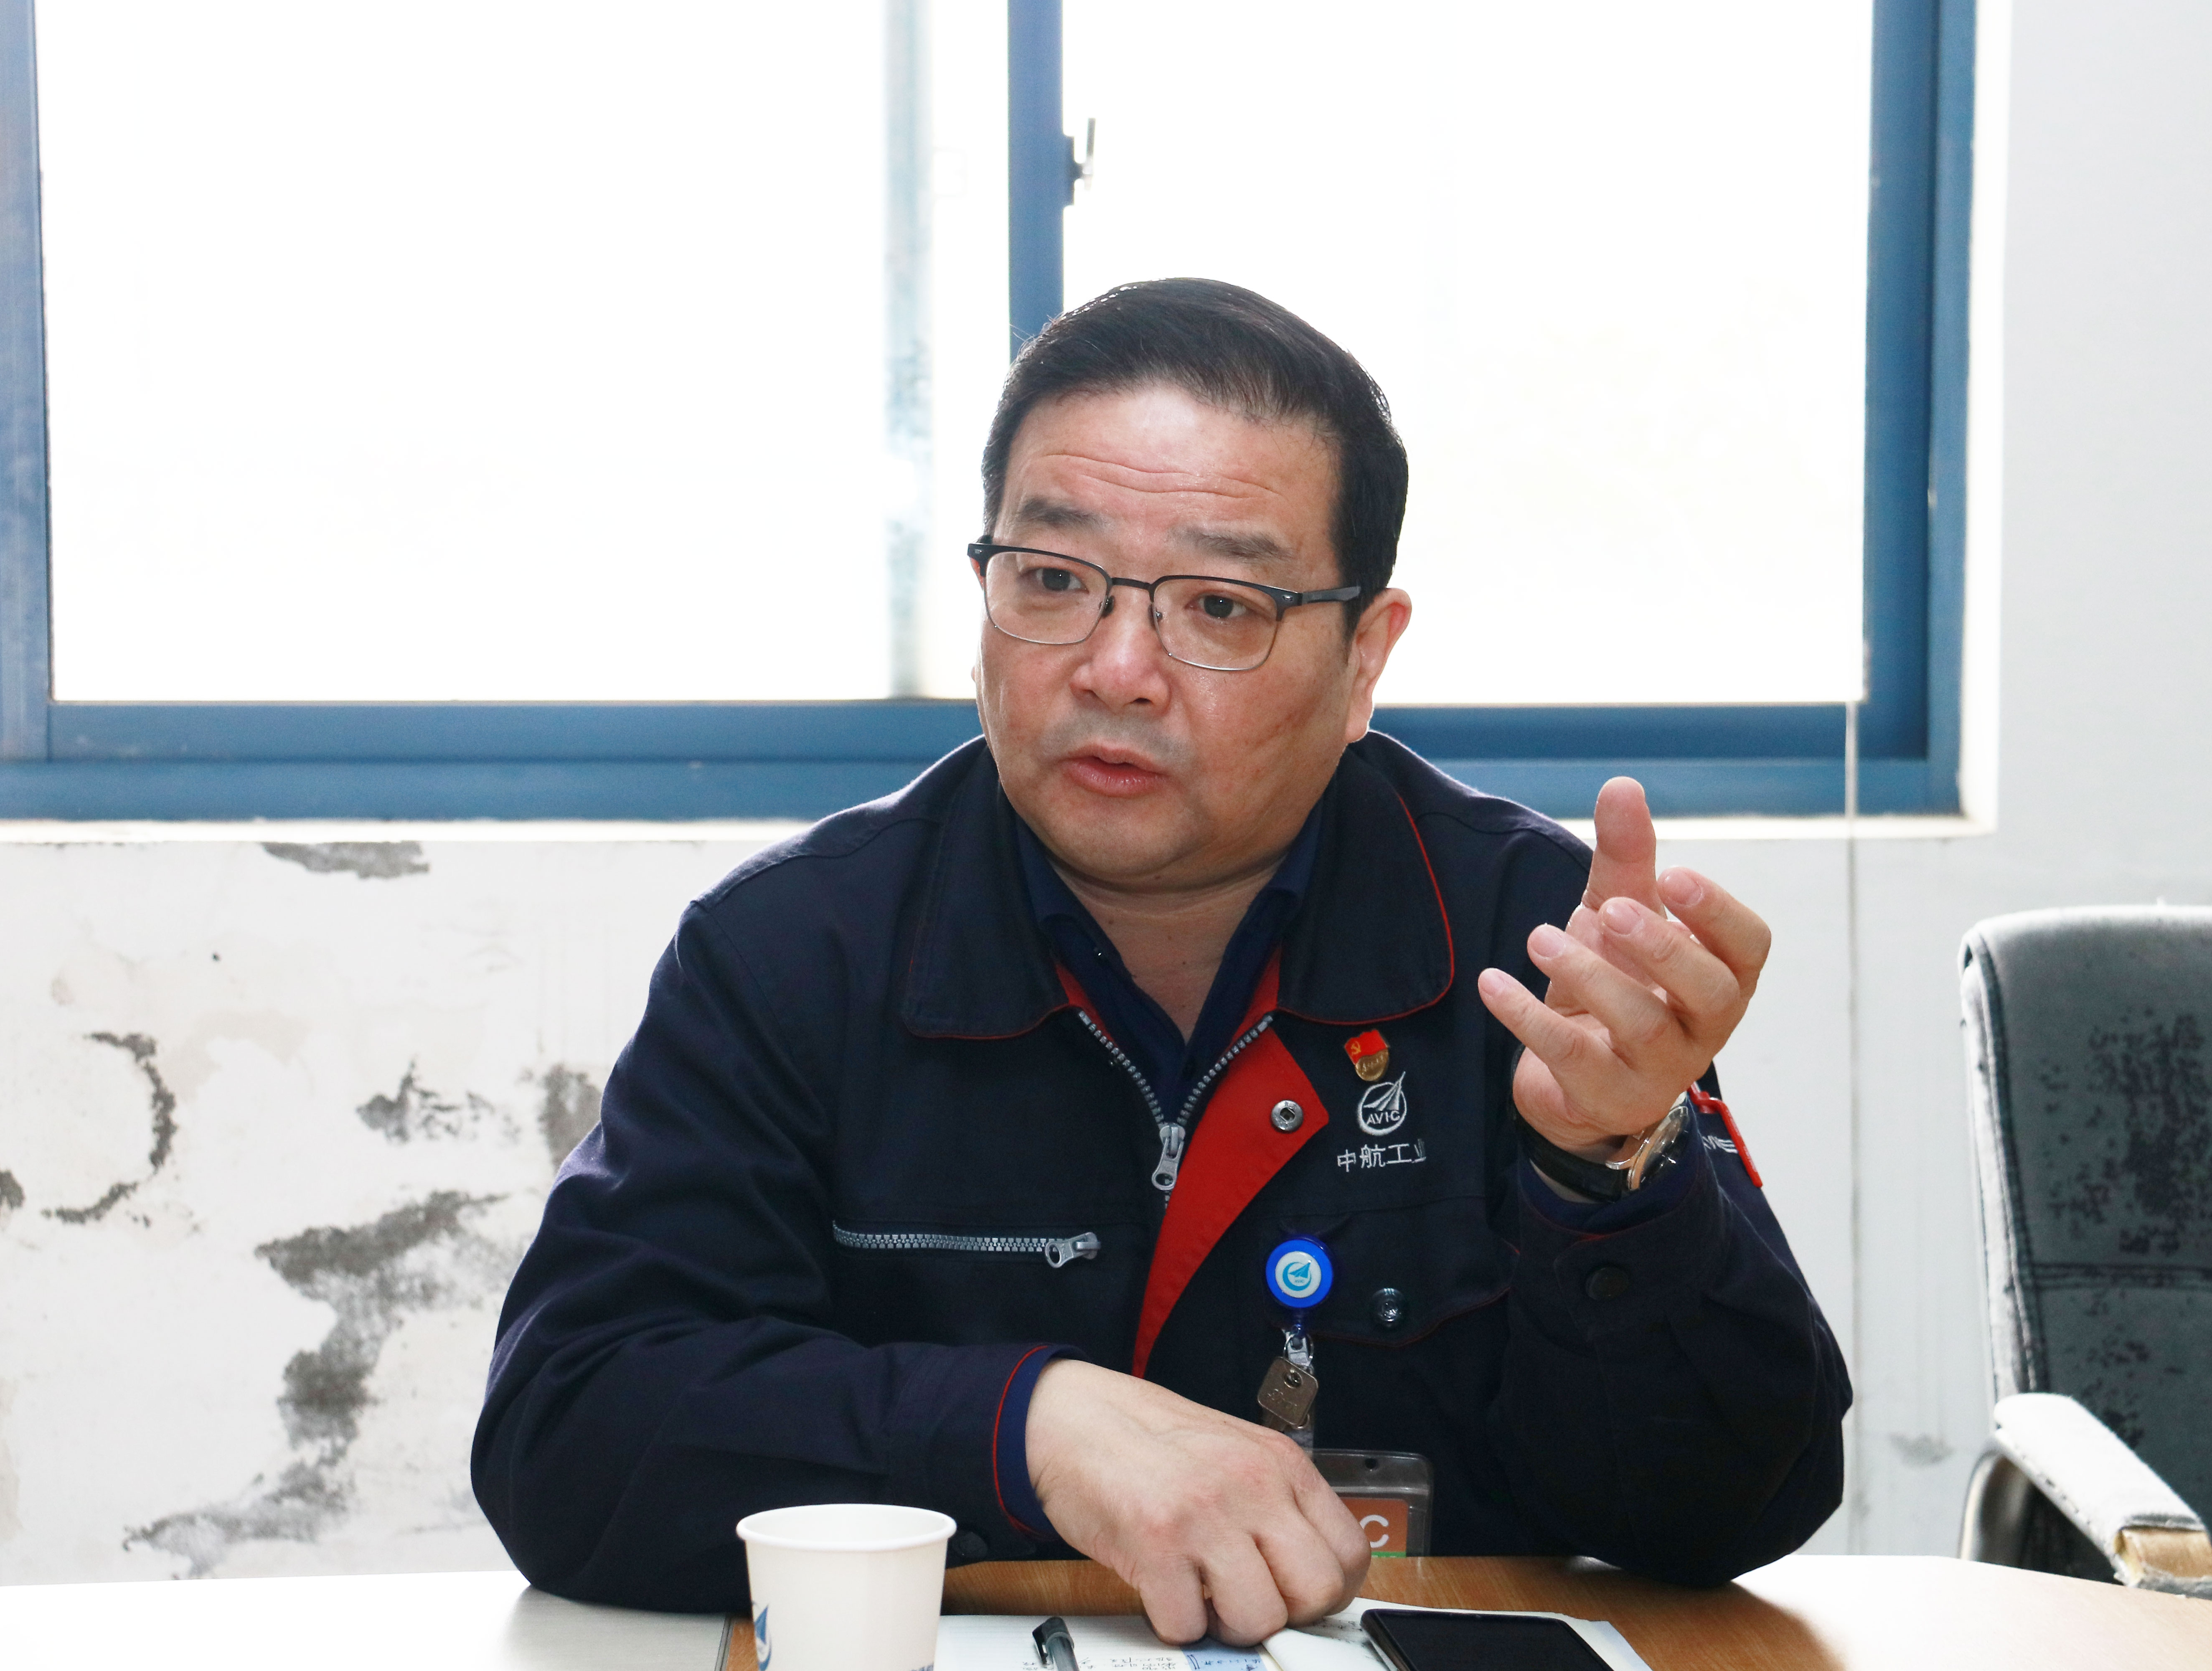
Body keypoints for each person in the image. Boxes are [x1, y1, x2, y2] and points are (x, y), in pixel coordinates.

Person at [472, 278, 1850, 1643]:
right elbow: (570, 1430)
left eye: (1219, 606)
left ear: (1363, 657)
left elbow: (1727, 1512)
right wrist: (1027, 1428)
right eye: (1052, 581)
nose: (1116, 667)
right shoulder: (793, 953)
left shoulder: (1529, 946)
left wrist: (1606, 1175)